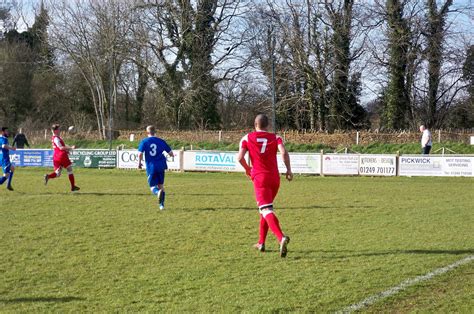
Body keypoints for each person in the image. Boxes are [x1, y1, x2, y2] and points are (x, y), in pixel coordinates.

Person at [237, 114, 293, 258]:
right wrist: (288, 170)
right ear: (267, 125)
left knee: (266, 209)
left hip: (260, 178)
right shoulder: (276, 137)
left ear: (255, 124)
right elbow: (284, 152)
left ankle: (281, 238)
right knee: (266, 209)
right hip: (274, 178)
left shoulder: (247, 138)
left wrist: (248, 169)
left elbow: (240, 157)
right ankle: (261, 242)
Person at [138, 125, 174, 210]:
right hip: (161, 166)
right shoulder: (161, 141)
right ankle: (161, 206)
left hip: (151, 167)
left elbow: (140, 154)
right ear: (155, 132)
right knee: (161, 185)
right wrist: (168, 155)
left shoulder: (144, 141)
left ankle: (157, 192)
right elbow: (171, 153)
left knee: (152, 187)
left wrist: (139, 163)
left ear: (147, 132)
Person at [44, 124, 80, 191]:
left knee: (57, 174)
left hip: (56, 157)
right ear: (55, 130)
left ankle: (48, 176)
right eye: (58, 129)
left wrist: (67, 149)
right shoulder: (56, 138)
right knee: (69, 169)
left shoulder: (55, 137)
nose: (59, 130)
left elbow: (61, 146)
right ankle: (73, 187)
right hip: (61, 156)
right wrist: (71, 148)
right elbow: (61, 147)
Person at [0, 127, 16, 191]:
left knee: (12, 168)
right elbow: (4, 146)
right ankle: (8, 184)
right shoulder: (4, 138)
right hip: (4, 158)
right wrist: (12, 148)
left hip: (2, 157)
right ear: (2, 132)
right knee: (5, 176)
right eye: (6, 131)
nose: (7, 132)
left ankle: (8, 184)